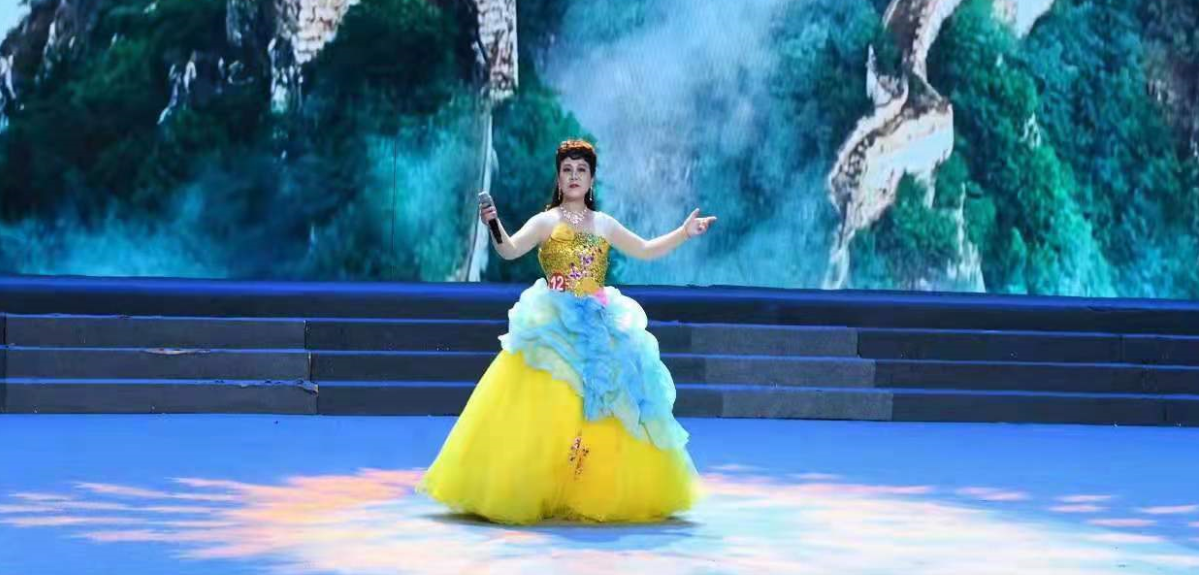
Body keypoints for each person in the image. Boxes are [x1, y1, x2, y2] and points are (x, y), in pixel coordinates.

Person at [417, 139, 717, 524]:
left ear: (591, 179)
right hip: (555, 322)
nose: (574, 176)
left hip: (600, 322)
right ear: (558, 178)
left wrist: (684, 232)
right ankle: (542, 486)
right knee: (552, 405)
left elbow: (644, 249)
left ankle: (586, 487)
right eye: (567, 170)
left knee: (607, 403)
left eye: (581, 170)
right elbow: (509, 250)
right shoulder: (546, 221)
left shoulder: (603, 223)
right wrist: (493, 223)